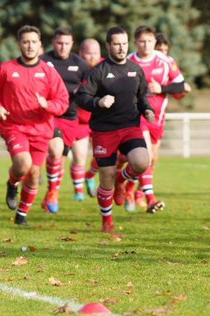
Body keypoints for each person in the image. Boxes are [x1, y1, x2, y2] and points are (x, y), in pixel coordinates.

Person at [0, 26, 70, 225]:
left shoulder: (48, 72)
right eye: (26, 42)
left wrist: (48, 105)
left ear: (40, 45)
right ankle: (12, 183)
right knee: (23, 164)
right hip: (14, 126)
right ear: (19, 44)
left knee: (34, 174)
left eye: (34, 42)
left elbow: (63, 101)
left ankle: (21, 215)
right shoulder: (6, 68)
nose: (30, 46)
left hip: (40, 129)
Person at [75, 26, 156, 234]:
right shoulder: (98, 72)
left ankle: (122, 179)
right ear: (108, 45)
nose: (121, 48)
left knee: (141, 162)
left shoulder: (135, 69)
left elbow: (141, 97)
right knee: (106, 178)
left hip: (130, 127)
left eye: (124, 43)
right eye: (116, 44)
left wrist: (146, 109)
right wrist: (98, 101)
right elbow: (81, 97)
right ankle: (107, 222)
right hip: (104, 131)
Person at [121, 25, 188, 212]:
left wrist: (162, 88)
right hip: (136, 116)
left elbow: (180, 84)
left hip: (157, 119)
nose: (146, 45)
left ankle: (127, 186)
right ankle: (149, 198)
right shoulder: (128, 61)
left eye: (149, 41)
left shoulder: (165, 61)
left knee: (151, 160)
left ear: (154, 42)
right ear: (135, 43)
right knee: (146, 157)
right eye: (142, 41)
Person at [43, 27, 93, 210]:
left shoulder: (80, 65)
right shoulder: (44, 61)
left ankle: (51, 191)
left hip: (71, 117)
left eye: (66, 43)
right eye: (59, 43)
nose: (62, 47)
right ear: (53, 43)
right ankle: (52, 193)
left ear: (72, 44)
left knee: (61, 158)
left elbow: (88, 90)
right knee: (55, 152)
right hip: (49, 116)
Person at [77, 38, 103, 197]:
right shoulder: (75, 68)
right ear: (81, 54)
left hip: (100, 119)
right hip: (80, 120)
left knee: (103, 155)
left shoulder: (106, 67)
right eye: (88, 53)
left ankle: (89, 175)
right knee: (80, 156)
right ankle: (78, 191)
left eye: (96, 53)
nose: (92, 57)